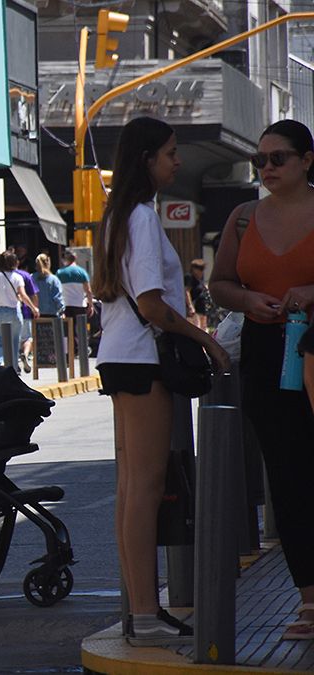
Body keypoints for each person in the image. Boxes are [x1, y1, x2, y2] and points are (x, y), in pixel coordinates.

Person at [93, 117, 230, 647]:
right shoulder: (143, 220)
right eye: (171, 153)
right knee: (146, 489)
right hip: (146, 360)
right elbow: (152, 303)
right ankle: (147, 613)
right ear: (147, 158)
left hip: (117, 356)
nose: (177, 162)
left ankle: (141, 612)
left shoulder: (114, 216)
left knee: (132, 489)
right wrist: (208, 341)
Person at [209, 118, 314, 641]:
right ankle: (309, 600)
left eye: (279, 158)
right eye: (260, 160)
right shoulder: (243, 218)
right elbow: (221, 283)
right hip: (267, 350)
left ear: (307, 161)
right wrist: (250, 299)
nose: (268, 168)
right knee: (288, 475)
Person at [0, 252, 38, 367]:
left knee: (0, 342)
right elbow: (24, 296)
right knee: (15, 342)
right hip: (14, 312)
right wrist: (33, 308)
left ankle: (1, 362)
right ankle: (14, 368)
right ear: (15, 263)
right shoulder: (18, 277)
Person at [14, 255, 40, 373]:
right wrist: (34, 309)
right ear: (17, 262)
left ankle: (14, 361)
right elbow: (33, 295)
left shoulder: (0, 275)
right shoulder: (24, 275)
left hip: (7, 312)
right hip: (25, 312)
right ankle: (24, 354)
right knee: (27, 338)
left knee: (12, 339)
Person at [183, 259, 212, 330]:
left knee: (203, 329)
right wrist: (190, 306)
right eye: (200, 269)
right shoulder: (189, 278)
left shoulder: (199, 280)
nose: (202, 272)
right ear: (194, 269)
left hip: (202, 309)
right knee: (197, 328)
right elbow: (187, 291)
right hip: (195, 310)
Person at [33, 253, 64, 319]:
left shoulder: (31, 278)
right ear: (48, 263)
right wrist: (62, 311)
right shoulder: (54, 280)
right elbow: (58, 297)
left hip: (36, 315)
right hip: (52, 314)